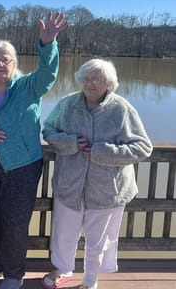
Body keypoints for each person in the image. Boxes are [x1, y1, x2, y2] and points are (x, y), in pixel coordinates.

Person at [0, 12, 68, 289]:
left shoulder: (28, 87)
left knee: (14, 222)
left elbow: (48, 74)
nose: (0, 64)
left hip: (21, 165)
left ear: (14, 63)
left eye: (5, 59)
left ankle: (13, 274)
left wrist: (48, 44)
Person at [41, 59, 152, 289]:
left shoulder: (121, 108)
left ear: (108, 82)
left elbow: (143, 147)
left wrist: (102, 151)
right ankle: (63, 270)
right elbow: (48, 129)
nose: (89, 83)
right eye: (86, 78)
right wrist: (70, 142)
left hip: (107, 188)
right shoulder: (67, 104)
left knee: (99, 239)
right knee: (64, 233)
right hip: (69, 183)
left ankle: (91, 279)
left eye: (96, 79)